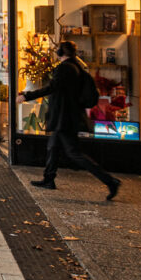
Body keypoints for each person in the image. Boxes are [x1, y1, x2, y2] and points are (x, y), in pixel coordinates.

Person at [17, 41, 121, 200]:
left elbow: (51, 88)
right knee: (53, 147)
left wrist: (27, 96)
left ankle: (110, 181)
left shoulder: (65, 68)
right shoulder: (76, 67)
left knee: (74, 153)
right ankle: (48, 179)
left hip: (64, 117)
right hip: (67, 116)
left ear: (60, 53)